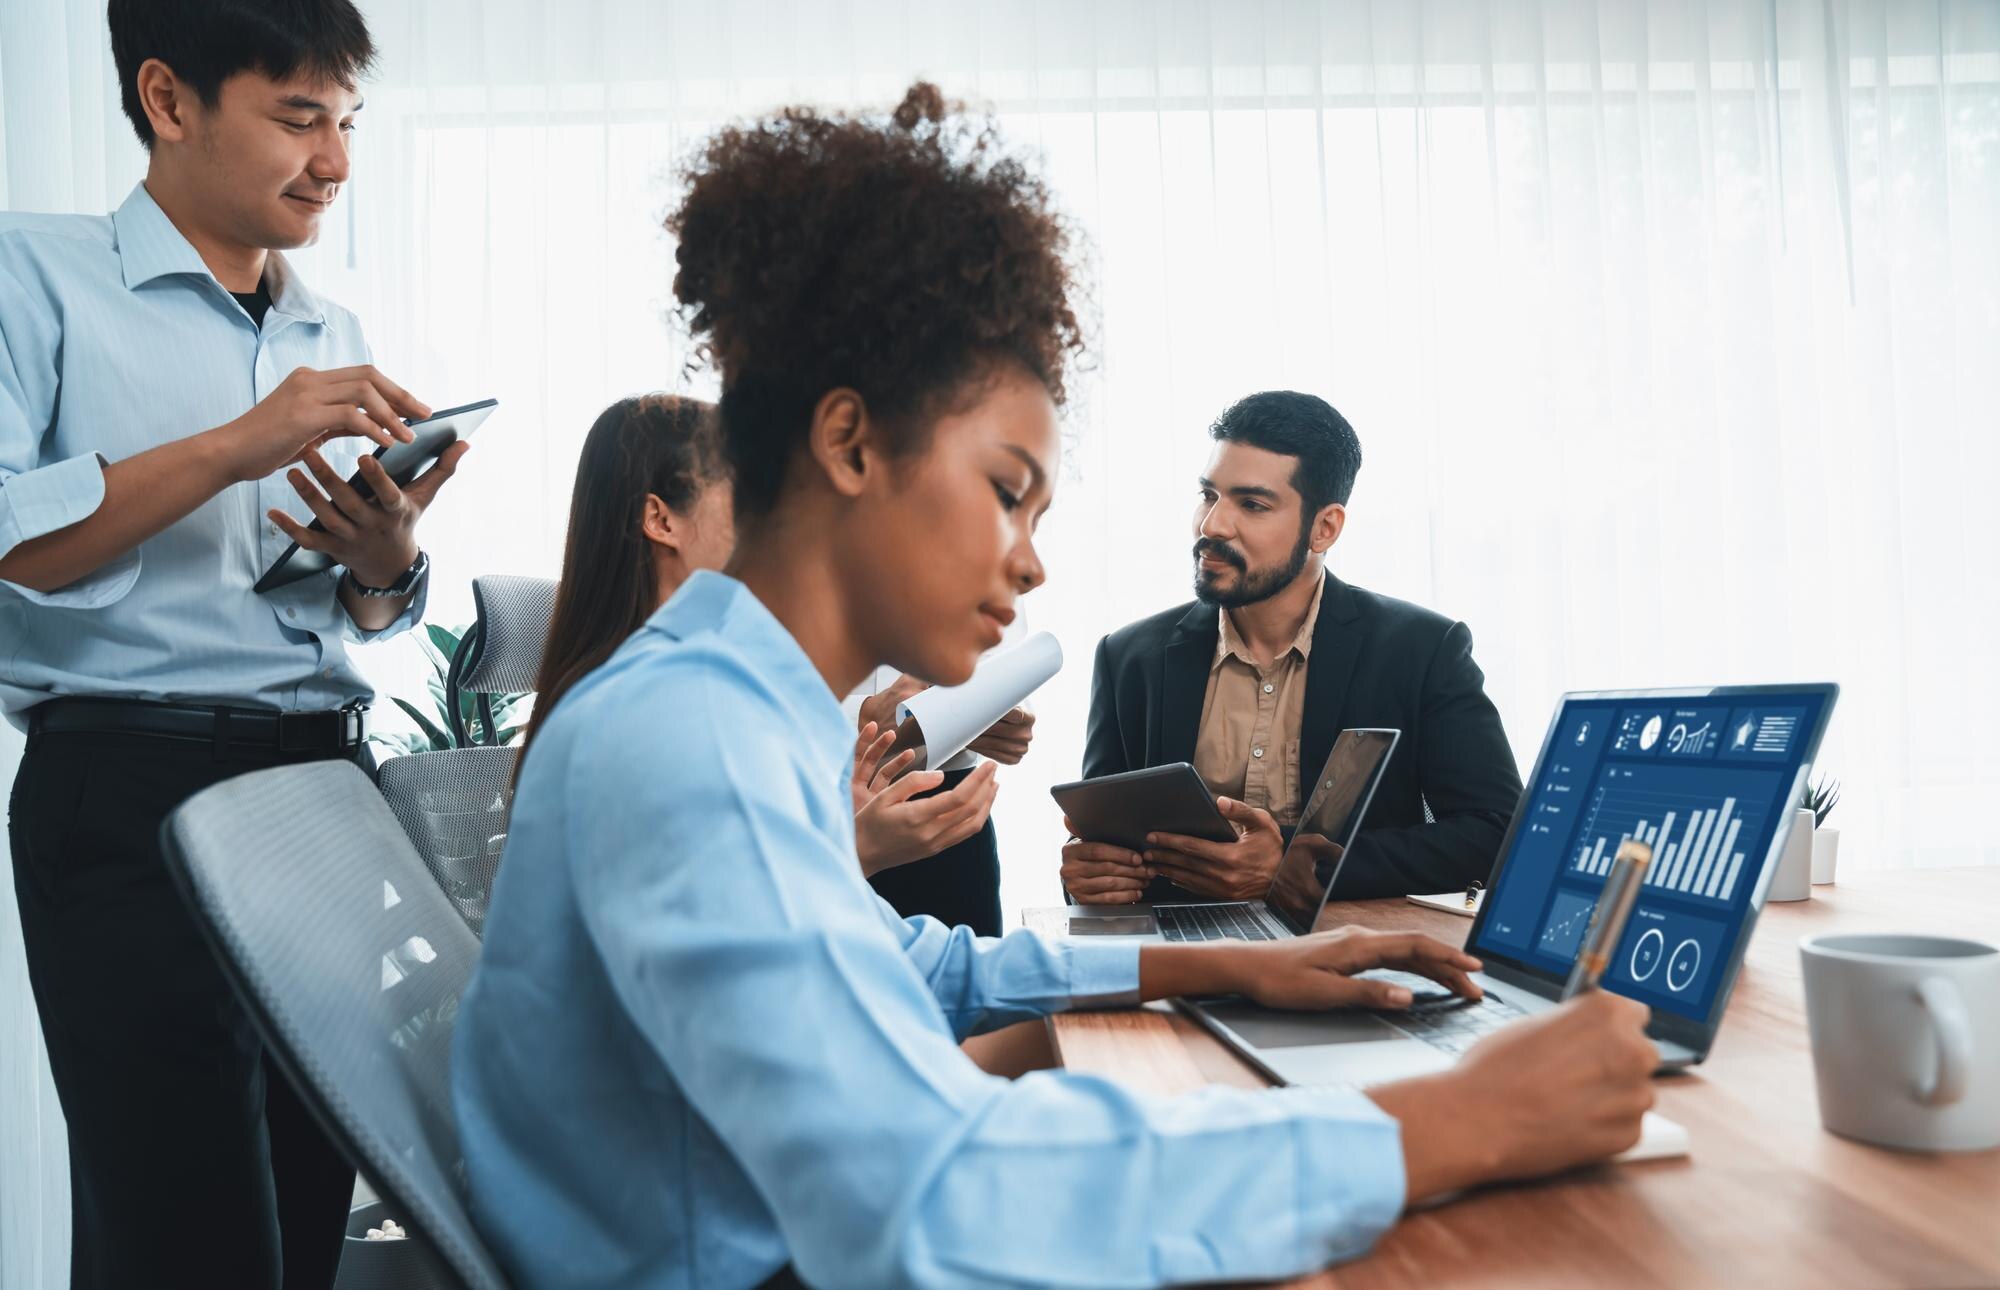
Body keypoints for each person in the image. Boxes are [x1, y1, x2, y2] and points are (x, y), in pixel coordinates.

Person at [452, 82, 1657, 1289]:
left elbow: (917, 972)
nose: (1029, 559)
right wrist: (1459, 1120)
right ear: (851, 445)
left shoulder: (718, 707)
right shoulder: (687, 735)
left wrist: (1232, 964)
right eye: (1005, 490)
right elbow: (936, 1196)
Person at [0, 3, 459, 1287]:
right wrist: (243, 442)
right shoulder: (29, 277)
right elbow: (5, 539)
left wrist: (385, 561)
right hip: (131, 791)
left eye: (347, 122)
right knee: (184, 1236)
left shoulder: (333, 333)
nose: (335, 162)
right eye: (299, 118)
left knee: (309, 1213)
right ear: (167, 97)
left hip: (322, 786)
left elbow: (360, 613)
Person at [523, 392, 1002, 890]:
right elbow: (706, 938)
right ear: (662, 521)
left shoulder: (696, 687)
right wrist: (857, 852)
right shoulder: (639, 716)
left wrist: (843, 832)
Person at [1063, 391, 1523, 907]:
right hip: (1177, 959)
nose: (1212, 525)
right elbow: (1100, 842)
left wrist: (1291, 867)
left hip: (1345, 950)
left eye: (1252, 504)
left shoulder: (1422, 650)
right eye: (1208, 495)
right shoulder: (1128, 658)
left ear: (1324, 528)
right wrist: (1086, 875)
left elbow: (1499, 833)